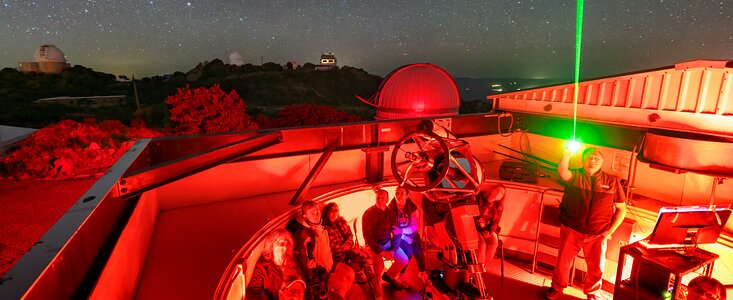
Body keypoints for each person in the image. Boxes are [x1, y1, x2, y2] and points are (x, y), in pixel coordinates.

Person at [544, 147, 628, 300]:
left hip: (598, 233)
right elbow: (563, 171)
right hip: (571, 229)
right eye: (589, 157)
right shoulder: (575, 176)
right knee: (563, 263)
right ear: (583, 161)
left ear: (602, 162)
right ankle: (556, 288)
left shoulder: (612, 181)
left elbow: (622, 210)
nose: (592, 160)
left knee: (596, 268)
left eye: (596, 158)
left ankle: (592, 294)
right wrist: (566, 155)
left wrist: (609, 232)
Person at [321, 202, 378, 299]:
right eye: (332, 211)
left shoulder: (342, 222)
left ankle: (376, 293)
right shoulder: (326, 229)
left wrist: (348, 244)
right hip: (337, 257)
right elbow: (333, 248)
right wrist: (348, 248)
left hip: (349, 251)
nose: (335, 213)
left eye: (336, 210)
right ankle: (370, 296)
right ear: (327, 213)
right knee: (359, 270)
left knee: (367, 267)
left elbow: (350, 235)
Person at [362, 188, 410, 291]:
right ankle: (377, 285)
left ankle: (388, 276)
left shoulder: (391, 213)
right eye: (378, 197)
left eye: (383, 197)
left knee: (404, 259)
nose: (380, 199)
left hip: (388, 243)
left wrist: (393, 250)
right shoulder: (368, 214)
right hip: (375, 246)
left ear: (387, 200)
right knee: (379, 266)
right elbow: (368, 237)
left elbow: (397, 233)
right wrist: (381, 252)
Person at [290, 200, 335, 299]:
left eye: (317, 211)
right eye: (312, 213)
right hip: (319, 276)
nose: (316, 215)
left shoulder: (321, 227)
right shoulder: (305, 236)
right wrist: (320, 270)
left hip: (328, 271)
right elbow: (305, 262)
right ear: (305, 216)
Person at [246, 229, 305, 300]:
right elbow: (253, 291)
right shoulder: (262, 267)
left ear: (288, 246)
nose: (281, 246)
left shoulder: (294, 261)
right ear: (271, 246)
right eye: (277, 243)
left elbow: (304, 278)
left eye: (284, 243)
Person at [387, 186, 424, 277]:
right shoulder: (390, 208)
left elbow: (413, 227)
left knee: (418, 251)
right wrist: (404, 236)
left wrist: (403, 231)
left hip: (412, 235)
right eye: (397, 193)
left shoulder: (413, 207)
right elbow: (392, 227)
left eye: (402, 193)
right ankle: (401, 274)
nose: (399, 196)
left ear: (407, 196)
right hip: (398, 237)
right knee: (407, 252)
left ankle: (423, 273)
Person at [473, 184, 505, 265]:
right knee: (481, 244)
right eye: (498, 190)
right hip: (474, 226)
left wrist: (489, 231)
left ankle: (483, 265)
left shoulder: (499, 207)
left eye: (502, 193)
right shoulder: (479, 198)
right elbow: (473, 216)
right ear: (492, 189)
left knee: (493, 242)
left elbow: (495, 222)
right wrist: (488, 201)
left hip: (487, 229)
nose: (499, 193)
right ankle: (477, 268)